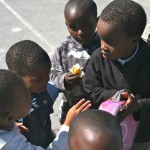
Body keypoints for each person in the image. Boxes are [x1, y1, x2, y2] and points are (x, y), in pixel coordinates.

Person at [83, 0, 150, 149]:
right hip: (106, 134)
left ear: (134, 40)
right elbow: (90, 88)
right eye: (100, 38)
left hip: (141, 136)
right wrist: (116, 97)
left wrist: (138, 105)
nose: (102, 46)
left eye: (110, 42)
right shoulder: (98, 57)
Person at [0, 69, 91, 150]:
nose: (30, 95)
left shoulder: (4, 121)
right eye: (26, 97)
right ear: (9, 118)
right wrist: (67, 126)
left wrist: (11, 124)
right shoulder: (9, 146)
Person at [50, 0, 100, 124]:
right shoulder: (62, 49)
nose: (80, 32)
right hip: (71, 106)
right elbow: (52, 74)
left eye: (86, 26)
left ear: (97, 21)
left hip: (99, 106)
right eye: (73, 27)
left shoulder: (104, 46)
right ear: (66, 25)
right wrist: (64, 80)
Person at [5, 40, 59, 148]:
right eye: (39, 80)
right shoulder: (8, 101)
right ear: (17, 77)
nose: (45, 82)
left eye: (47, 75)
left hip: (45, 143)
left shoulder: (50, 90)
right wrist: (8, 126)